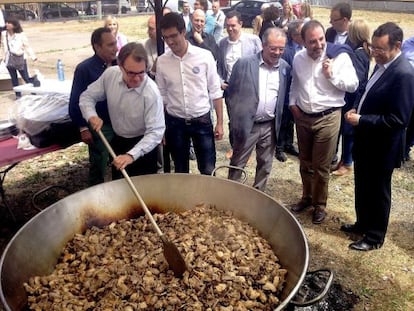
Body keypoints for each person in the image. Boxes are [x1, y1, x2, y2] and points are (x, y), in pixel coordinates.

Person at [343, 22, 414, 251]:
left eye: (380, 49)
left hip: (383, 147)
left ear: (397, 46)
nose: (374, 53)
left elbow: (398, 119)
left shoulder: (403, 73)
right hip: (365, 141)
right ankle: (362, 223)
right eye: (373, 47)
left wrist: (362, 120)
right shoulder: (381, 65)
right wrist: (356, 109)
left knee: (378, 192)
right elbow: (367, 92)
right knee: (363, 186)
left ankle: (374, 237)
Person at [289, 20, 358, 224]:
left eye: (321, 39)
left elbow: (353, 84)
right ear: (303, 41)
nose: (318, 45)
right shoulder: (298, 58)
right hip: (303, 117)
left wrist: (332, 75)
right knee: (305, 162)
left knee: (320, 166)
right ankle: (307, 197)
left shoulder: (339, 57)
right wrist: (293, 104)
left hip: (328, 118)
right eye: (312, 41)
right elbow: (295, 83)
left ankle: (320, 205)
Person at [80, 42, 165, 179]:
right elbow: (87, 97)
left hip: (144, 145)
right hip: (118, 141)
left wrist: (131, 155)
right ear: (120, 66)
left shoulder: (151, 93)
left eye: (141, 73)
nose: (137, 78)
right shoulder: (110, 75)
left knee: (145, 190)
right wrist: (91, 116)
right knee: (120, 188)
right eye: (131, 73)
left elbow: (155, 132)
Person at [156, 12, 224, 175]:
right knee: (180, 170)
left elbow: (215, 90)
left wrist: (220, 123)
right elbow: (161, 97)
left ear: (183, 32)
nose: (170, 41)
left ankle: (208, 200)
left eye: (173, 36)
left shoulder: (204, 56)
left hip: (201, 120)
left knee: (208, 168)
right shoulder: (162, 62)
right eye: (166, 37)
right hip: (175, 123)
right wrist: (161, 128)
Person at [226, 28, 291, 191]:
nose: (277, 52)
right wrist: (235, 121)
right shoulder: (244, 64)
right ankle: (231, 198)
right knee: (237, 164)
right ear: (263, 45)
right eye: (273, 48)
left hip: (270, 126)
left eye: (281, 49)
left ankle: (258, 197)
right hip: (248, 125)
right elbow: (231, 94)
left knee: (265, 165)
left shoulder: (285, 68)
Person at [69, 27, 118, 186]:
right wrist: (83, 128)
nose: (115, 48)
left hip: (121, 123)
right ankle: (97, 196)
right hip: (100, 126)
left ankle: (120, 191)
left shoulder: (120, 65)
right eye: (110, 45)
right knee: (99, 164)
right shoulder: (85, 69)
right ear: (97, 47)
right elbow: (76, 101)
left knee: (120, 161)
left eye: (115, 43)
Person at [219, 10, 262, 158]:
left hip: (248, 87)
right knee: (233, 120)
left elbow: (261, 62)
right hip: (231, 88)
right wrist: (220, 81)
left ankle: (246, 149)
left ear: (241, 24)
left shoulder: (253, 40)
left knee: (247, 119)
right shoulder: (222, 43)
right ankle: (235, 147)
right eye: (227, 26)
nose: (230, 29)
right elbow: (219, 66)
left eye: (233, 25)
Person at [332, 19, 371, 176]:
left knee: (348, 131)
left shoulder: (359, 54)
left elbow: (359, 80)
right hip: (351, 98)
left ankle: (347, 163)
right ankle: (343, 160)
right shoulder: (362, 50)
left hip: (352, 99)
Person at [275, 19, 304, 162]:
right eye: (301, 32)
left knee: (291, 121)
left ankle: (288, 144)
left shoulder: (303, 48)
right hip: (287, 92)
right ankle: (279, 147)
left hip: (298, 94)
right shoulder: (287, 51)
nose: (304, 35)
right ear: (293, 35)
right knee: (284, 120)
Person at [1, 17, 37, 99]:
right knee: (14, 78)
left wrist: (33, 56)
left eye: (9, 23)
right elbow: (3, 47)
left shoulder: (21, 35)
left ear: (14, 25)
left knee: (25, 77)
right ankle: (18, 95)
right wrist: (3, 57)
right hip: (9, 59)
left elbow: (27, 46)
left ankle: (34, 92)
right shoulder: (4, 34)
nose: (7, 24)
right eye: (6, 22)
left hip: (20, 58)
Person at [401, 36, 414, 161]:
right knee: (406, 119)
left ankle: (407, 147)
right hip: (408, 88)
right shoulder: (407, 43)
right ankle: (402, 148)